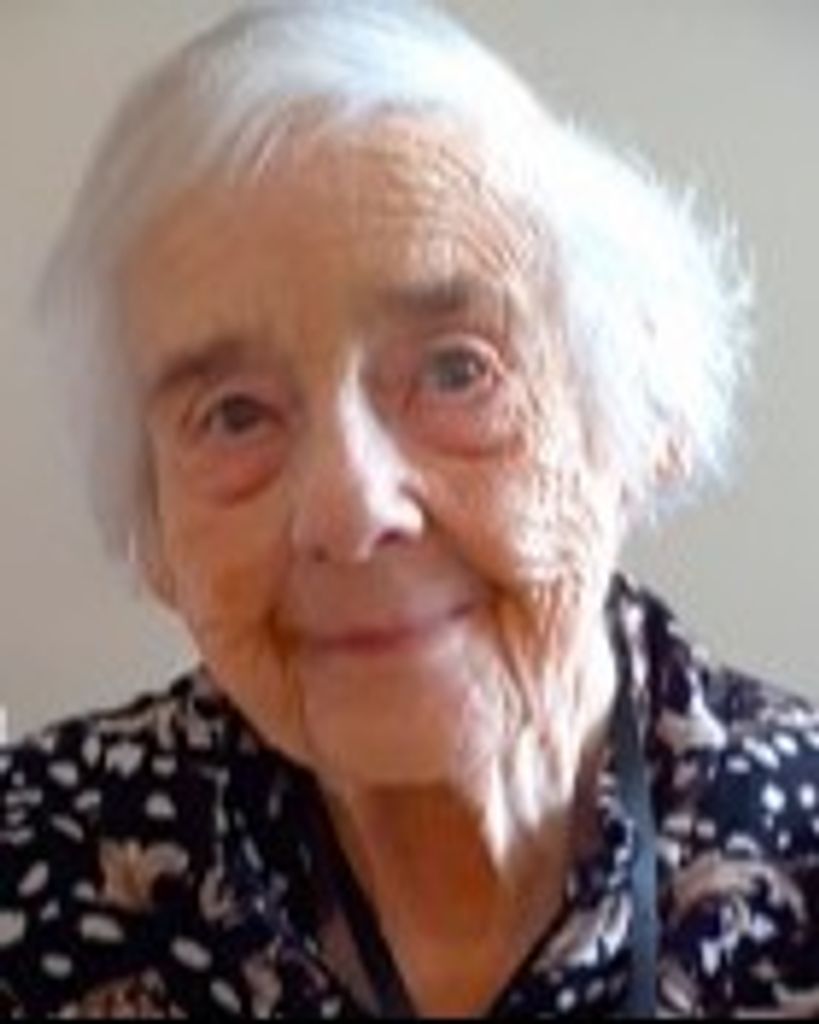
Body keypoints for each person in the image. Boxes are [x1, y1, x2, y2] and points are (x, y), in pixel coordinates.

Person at [1, 1, 817, 1017]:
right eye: (235, 414)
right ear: (156, 533)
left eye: (455, 370)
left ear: (638, 422)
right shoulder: (32, 866)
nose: (350, 511)